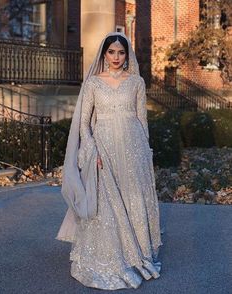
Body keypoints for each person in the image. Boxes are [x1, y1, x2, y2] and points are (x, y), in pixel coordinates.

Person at [56, 32, 163, 290]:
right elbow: (84, 123)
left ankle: (137, 252)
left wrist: (145, 152)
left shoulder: (137, 82)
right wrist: (92, 151)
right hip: (104, 147)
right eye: (112, 51)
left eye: (121, 52)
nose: (116, 57)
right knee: (105, 201)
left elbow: (141, 119)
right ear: (104, 53)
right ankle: (110, 254)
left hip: (133, 147)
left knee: (133, 197)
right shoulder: (93, 83)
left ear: (127, 56)